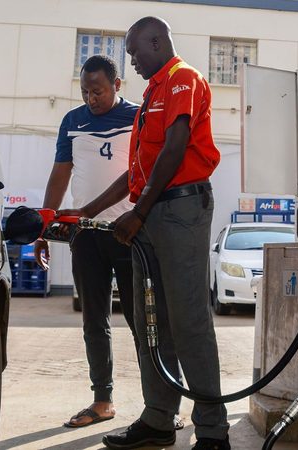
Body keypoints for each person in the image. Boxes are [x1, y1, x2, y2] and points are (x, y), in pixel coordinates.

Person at [60, 16, 230, 450]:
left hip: (180, 211)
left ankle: (212, 431)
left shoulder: (182, 79)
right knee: (153, 323)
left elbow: (175, 148)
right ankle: (158, 420)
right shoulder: (152, 92)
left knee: (189, 321)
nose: (131, 62)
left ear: (157, 41)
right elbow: (137, 173)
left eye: (135, 52)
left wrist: (138, 213)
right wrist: (87, 210)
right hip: (152, 214)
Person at [34, 55, 139, 428]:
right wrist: (44, 228)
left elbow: (141, 172)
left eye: (98, 90)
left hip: (129, 233)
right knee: (94, 320)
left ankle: (159, 405)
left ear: (117, 86)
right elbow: (61, 174)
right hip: (86, 236)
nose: (91, 98)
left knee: (142, 319)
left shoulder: (137, 118)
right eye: (85, 91)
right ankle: (103, 400)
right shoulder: (72, 122)